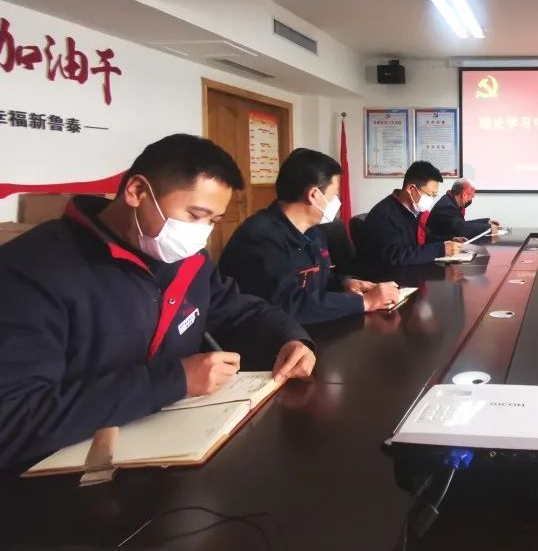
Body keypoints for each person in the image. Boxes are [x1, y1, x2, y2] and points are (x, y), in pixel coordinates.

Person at [0, 134, 317, 470]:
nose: (201, 233)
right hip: (57, 474)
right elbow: (13, 419)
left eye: (212, 221)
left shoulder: (186, 261)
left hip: (167, 451)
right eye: (195, 215)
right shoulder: (33, 270)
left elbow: (238, 309)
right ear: (137, 191)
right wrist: (174, 381)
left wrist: (289, 338)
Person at [218, 148, 400, 324]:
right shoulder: (259, 238)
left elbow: (318, 280)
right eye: (334, 195)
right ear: (314, 195)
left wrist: (344, 283)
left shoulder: (313, 231)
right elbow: (289, 304)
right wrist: (364, 302)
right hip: (267, 337)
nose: (337, 202)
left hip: (310, 330)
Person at [358, 161, 461, 276]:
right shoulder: (383, 214)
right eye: (430, 194)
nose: (431, 199)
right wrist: (440, 249)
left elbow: (420, 239)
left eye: (434, 195)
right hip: (383, 278)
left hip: (408, 272)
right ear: (411, 189)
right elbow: (395, 255)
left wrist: (448, 241)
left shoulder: (412, 210)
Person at [426, 179, 499, 241]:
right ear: (464, 195)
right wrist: (489, 228)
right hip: (436, 246)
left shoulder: (449, 201)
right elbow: (461, 229)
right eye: (471, 197)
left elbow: (460, 224)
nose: (470, 200)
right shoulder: (447, 206)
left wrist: (486, 222)